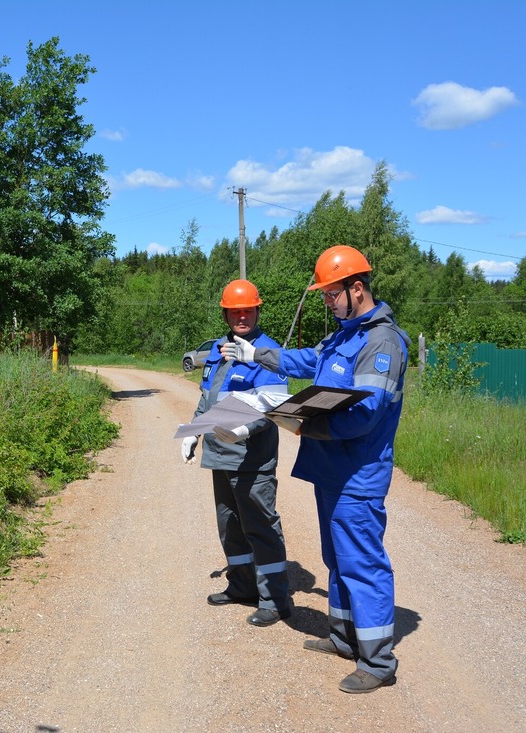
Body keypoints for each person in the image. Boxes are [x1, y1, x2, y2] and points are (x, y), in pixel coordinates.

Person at [221, 245, 410, 694]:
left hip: (358, 475)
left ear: (356, 289)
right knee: (336, 559)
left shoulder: (381, 342)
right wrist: (257, 356)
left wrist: (305, 425)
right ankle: (345, 638)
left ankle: (378, 661)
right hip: (332, 472)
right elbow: (307, 361)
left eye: (330, 294)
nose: (326, 302)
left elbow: (365, 413)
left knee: (362, 563)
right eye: (324, 295)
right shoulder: (346, 333)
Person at [182, 279, 292, 627]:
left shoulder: (268, 353)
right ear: (226, 314)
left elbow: (273, 405)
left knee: (260, 526)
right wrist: (193, 432)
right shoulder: (218, 350)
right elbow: (207, 398)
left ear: (257, 311)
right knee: (230, 526)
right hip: (218, 454)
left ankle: (274, 600)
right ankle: (242, 585)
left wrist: (246, 429)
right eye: (235, 311)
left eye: (248, 310)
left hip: (252, 458)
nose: (241, 317)